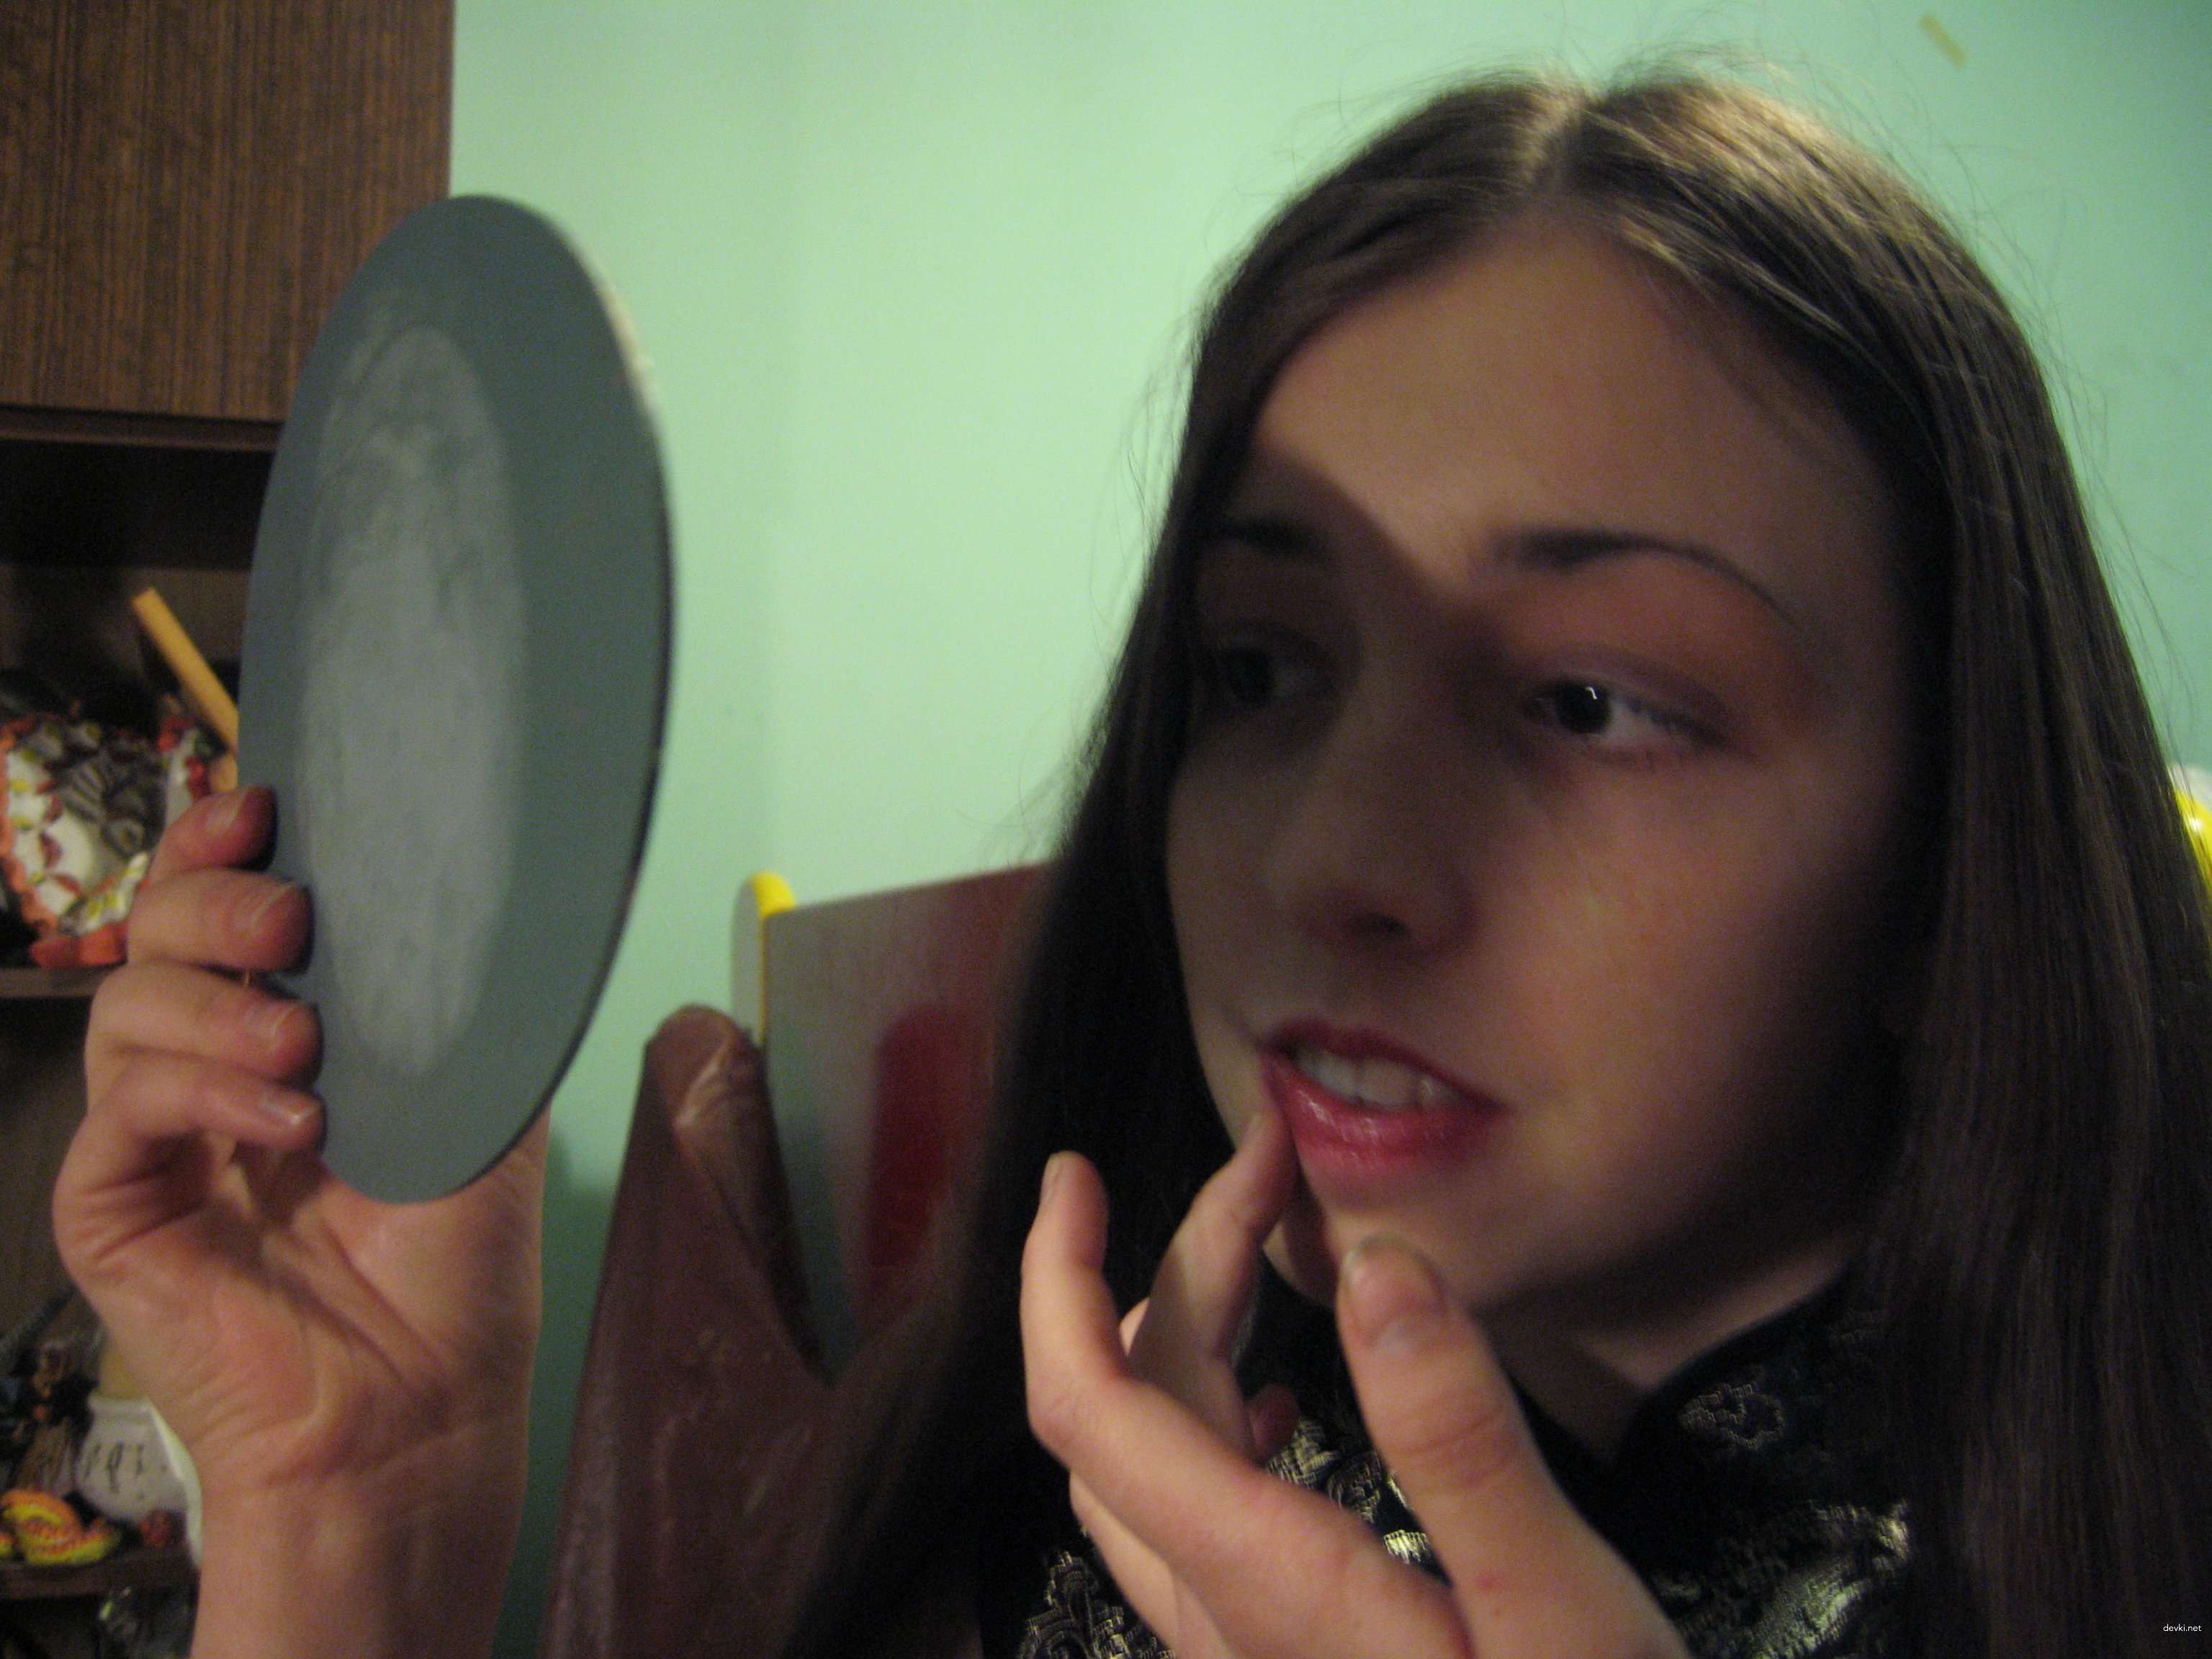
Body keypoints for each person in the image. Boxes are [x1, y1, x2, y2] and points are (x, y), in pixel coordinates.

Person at [55, 69, 2211, 1659]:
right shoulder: (1035, 1500)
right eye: (1256, 670)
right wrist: (352, 1515)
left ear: (1956, 857)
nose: (1334, 856)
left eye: (1589, 701)